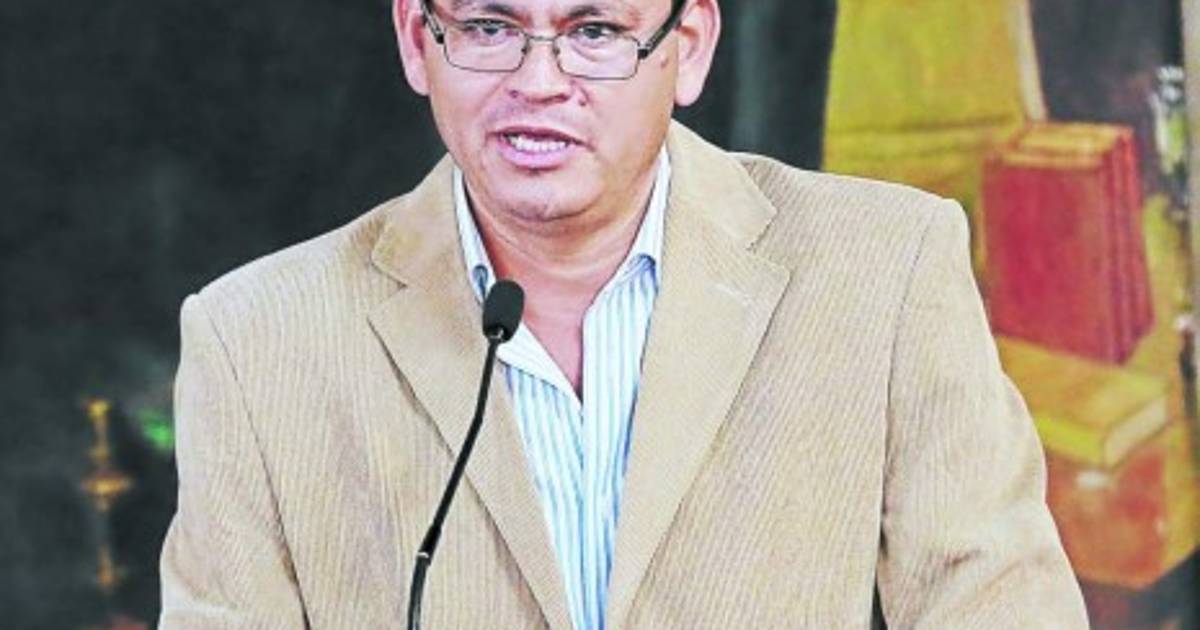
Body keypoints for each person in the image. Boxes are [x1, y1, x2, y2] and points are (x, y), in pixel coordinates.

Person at [158, 0, 1089, 627]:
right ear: (415, 38)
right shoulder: (256, 338)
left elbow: (1001, 607)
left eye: (596, 30)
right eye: (488, 27)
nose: (539, 81)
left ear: (690, 47)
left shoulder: (883, 268)